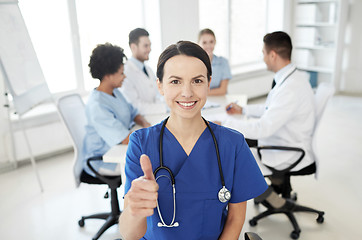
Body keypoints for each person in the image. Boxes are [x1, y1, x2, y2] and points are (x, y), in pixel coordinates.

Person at [119, 41, 268, 240]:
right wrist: (135, 210)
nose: (187, 92)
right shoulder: (141, 144)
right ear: (160, 86)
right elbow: (130, 235)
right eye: (175, 81)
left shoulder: (233, 145)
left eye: (197, 81)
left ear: (208, 83)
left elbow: (235, 219)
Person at [223, 31, 316, 175]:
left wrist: (224, 124)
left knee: (230, 151)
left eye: (264, 53)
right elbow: (270, 108)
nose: (263, 58)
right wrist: (243, 110)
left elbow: (262, 128)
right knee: (238, 139)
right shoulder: (291, 78)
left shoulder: (290, 88)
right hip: (281, 138)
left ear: (272, 55)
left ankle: (270, 197)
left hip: (286, 151)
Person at [82, 43, 151, 177]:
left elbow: (134, 112)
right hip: (106, 159)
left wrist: (145, 123)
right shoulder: (97, 105)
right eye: (121, 73)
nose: (124, 76)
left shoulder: (114, 92)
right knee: (151, 167)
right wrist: (151, 136)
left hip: (120, 150)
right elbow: (124, 139)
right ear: (108, 75)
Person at [120, 28, 166, 115]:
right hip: (142, 120)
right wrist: (164, 107)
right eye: (145, 46)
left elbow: (158, 95)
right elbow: (134, 106)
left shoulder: (148, 70)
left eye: (150, 45)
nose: (149, 49)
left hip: (156, 115)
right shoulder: (125, 72)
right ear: (133, 47)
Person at [198, 28, 232, 96]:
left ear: (215, 42)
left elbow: (222, 90)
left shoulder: (223, 62)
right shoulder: (194, 64)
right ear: (198, 43)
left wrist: (201, 93)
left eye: (211, 42)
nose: (208, 46)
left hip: (220, 100)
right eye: (204, 42)